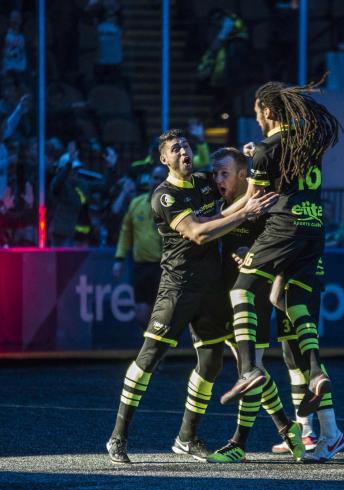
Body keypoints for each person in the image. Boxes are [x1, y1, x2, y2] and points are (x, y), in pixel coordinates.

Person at [106, 129, 276, 464]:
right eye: (175, 148)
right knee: (149, 357)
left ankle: (186, 437)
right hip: (178, 287)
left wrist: (255, 162)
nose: (183, 151)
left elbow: (229, 204)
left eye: (185, 145)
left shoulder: (204, 182)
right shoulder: (164, 196)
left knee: (211, 362)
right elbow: (198, 232)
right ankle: (117, 437)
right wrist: (245, 212)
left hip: (211, 289)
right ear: (164, 159)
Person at [221, 79, 341, 423]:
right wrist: (255, 154)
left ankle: (248, 369)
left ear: (269, 110)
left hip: (284, 229)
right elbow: (281, 168)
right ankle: (317, 370)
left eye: (257, 112)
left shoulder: (265, 149)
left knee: (242, 290)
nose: (256, 119)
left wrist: (213, 219)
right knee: (291, 302)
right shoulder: (307, 144)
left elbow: (251, 201)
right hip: (314, 230)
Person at [204, 147, 305, 464]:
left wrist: (253, 253)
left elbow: (281, 248)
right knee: (252, 371)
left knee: (251, 371)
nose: (218, 179)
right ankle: (288, 430)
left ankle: (239, 444)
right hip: (230, 298)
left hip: (254, 298)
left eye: (225, 173)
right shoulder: (222, 205)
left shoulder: (262, 206)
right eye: (216, 173)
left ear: (244, 174)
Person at [270, 266, 344, 462]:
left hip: (300, 276)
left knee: (306, 358)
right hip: (291, 276)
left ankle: (331, 434)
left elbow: (295, 238)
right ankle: (305, 430)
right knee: (293, 359)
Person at [113, 165, 166, 329]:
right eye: (154, 178)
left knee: (161, 318)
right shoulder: (136, 203)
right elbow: (125, 232)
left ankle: (156, 352)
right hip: (140, 267)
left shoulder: (171, 207)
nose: (156, 182)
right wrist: (119, 259)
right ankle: (152, 350)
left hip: (163, 268)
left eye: (161, 179)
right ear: (149, 180)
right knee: (142, 316)